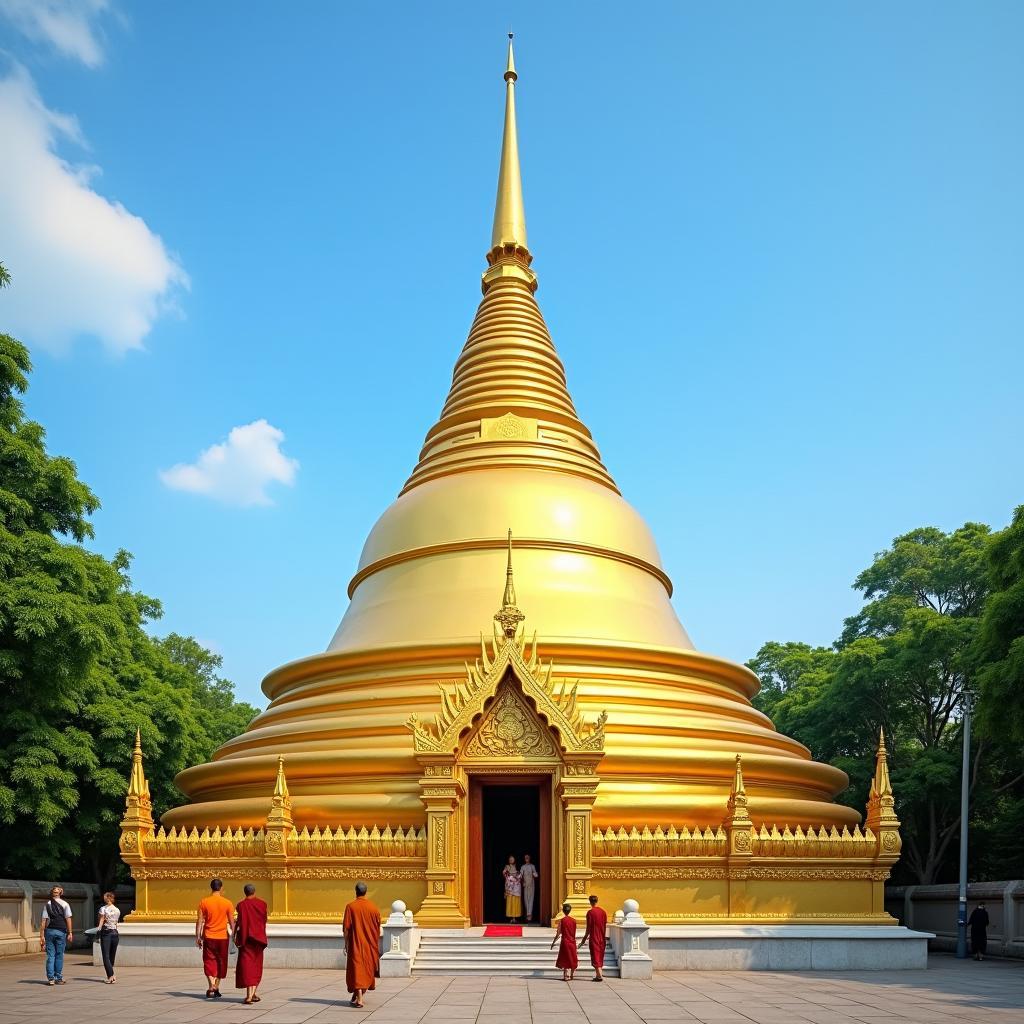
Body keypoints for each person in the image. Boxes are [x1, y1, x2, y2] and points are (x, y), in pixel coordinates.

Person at [342, 881, 381, 1009]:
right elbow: (377, 928)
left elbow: (346, 929)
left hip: (356, 944)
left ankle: (359, 998)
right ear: (366, 892)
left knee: (357, 969)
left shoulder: (351, 907)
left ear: (356, 891)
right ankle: (358, 995)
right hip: (370, 945)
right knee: (365, 969)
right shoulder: (374, 908)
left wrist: (346, 944)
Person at [195, 878, 235, 998]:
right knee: (221, 962)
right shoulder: (227, 903)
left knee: (209, 961)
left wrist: (197, 936)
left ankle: (212, 985)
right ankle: (215, 985)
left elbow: (200, 921)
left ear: (211, 888)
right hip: (222, 937)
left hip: (209, 936)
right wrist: (234, 936)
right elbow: (232, 922)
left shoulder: (204, 902)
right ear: (221, 888)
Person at [233, 884, 268, 1004]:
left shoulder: (241, 905)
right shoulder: (262, 904)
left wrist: (234, 936)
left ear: (245, 892)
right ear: (254, 891)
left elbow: (240, 922)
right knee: (256, 966)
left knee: (247, 966)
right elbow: (264, 920)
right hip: (258, 939)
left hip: (246, 939)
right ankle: (251, 995)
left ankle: (250, 995)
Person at [39, 885, 73, 986]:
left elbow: (43, 921)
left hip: (49, 931)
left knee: (50, 956)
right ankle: (58, 977)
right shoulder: (65, 904)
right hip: (61, 931)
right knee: (59, 955)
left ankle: (51, 979)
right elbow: (68, 918)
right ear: (61, 893)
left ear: (52, 893)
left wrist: (41, 936)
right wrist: (70, 932)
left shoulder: (47, 904)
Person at [578, 894, 607, 981]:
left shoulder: (590, 913)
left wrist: (583, 941)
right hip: (602, 937)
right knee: (600, 955)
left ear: (590, 902)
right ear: (597, 901)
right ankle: (599, 975)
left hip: (594, 937)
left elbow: (588, 929)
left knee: (595, 956)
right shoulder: (603, 912)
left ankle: (599, 975)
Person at [96, 891, 121, 984]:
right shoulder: (117, 910)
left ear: (107, 898)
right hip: (115, 933)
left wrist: (98, 929)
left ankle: (110, 976)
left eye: (104, 897)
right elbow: (116, 923)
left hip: (106, 932)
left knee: (105, 955)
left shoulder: (103, 909)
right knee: (111, 955)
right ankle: (112, 974)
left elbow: (102, 919)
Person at [550, 902, 578, 981]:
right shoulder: (574, 921)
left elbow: (558, 933)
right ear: (570, 910)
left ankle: (566, 976)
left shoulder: (561, 921)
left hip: (565, 941)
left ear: (563, 911)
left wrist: (553, 942)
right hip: (572, 941)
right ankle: (572, 975)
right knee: (572, 958)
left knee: (565, 958)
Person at [519, 854, 539, 923]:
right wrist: (518, 877)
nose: (527, 858)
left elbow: (536, 874)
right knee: (525, 899)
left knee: (531, 899)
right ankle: (527, 914)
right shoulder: (523, 867)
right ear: (524, 859)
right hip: (525, 885)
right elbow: (520, 874)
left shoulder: (532, 866)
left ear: (529, 858)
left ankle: (529, 914)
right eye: (525, 858)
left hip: (531, 885)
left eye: (528, 857)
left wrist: (534, 874)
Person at [503, 855, 522, 923]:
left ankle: (515, 918)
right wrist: (509, 876)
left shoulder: (518, 866)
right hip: (509, 886)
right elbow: (504, 873)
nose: (511, 860)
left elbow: (520, 875)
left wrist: (515, 878)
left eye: (512, 859)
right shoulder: (507, 866)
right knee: (510, 901)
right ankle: (511, 917)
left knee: (515, 901)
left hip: (516, 887)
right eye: (510, 859)